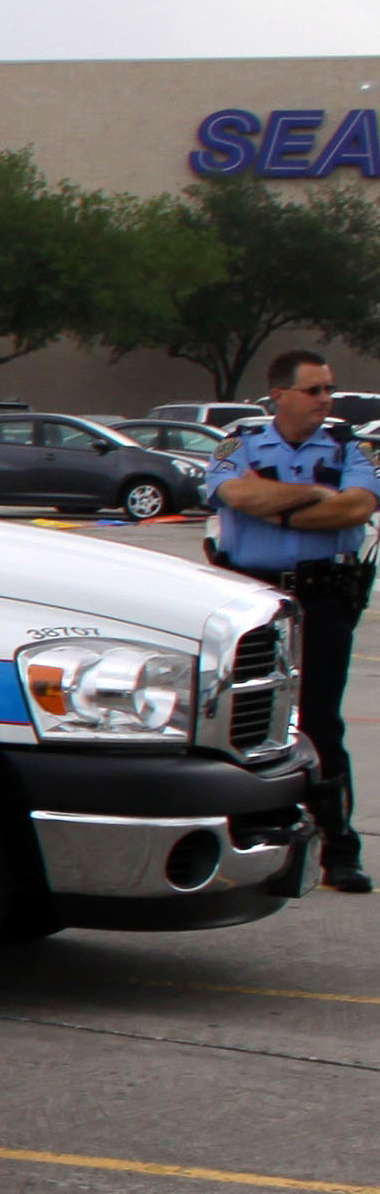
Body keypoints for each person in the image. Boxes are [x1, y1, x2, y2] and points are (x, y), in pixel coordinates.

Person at [207, 349, 377, 893]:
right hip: (254, 599)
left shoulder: (348, 446)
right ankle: (251, 837)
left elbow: (356, 508)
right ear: (279, 394)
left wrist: (273, 505)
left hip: (324, 598)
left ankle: (339, 846)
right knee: (246, 721)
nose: (326, 400)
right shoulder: (241, 445)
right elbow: (235, 492)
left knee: (321, 721)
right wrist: (310, 497)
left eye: (328, 390)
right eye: (314, 391)